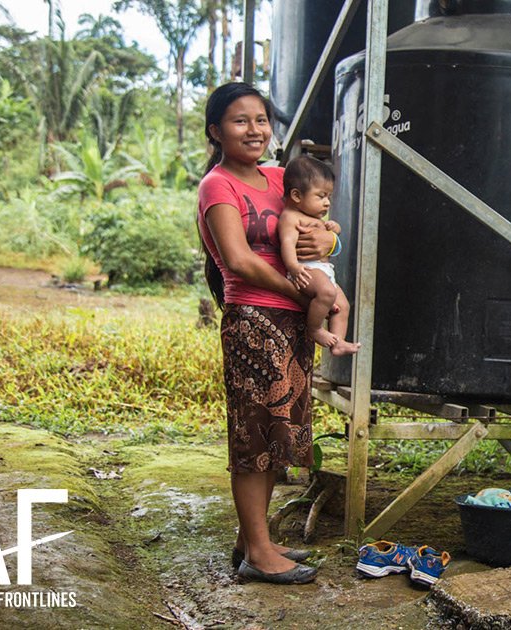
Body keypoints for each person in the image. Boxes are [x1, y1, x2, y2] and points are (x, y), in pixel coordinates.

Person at [197, 82, 336, 585]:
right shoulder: (218, 186)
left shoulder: (281, 178)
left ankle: (250, 539)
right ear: (216, 131)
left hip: (294, 322)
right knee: (253, 435)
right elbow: (237, 259)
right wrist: (299, 293)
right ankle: (258, 551)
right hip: (254, 321)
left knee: (279, 434)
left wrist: (331, 237)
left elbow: (319, 222)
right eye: (240, 121)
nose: (254, 130)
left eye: (260, 119)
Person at [278, 155, 360, 356]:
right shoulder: (291, 217)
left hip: (324, 270)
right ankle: (314, 329)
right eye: (321, 196)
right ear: (297, 196)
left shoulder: (314, 216)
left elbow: (333, 236)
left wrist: (334, 229)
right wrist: (294, 267)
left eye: (329, 197)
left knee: (343, 306)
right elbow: (287, 243)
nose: (327, 203)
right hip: (306, 270)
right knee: (327, 293)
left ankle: (338, 342)